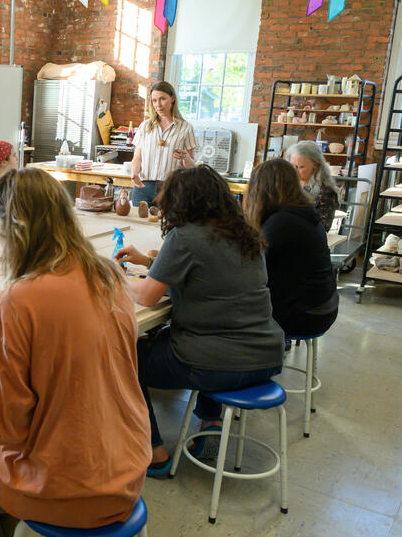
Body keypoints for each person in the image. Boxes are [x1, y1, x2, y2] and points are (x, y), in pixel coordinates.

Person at [0, 168, 151, 536]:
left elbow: (5, 427)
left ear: (16, 230)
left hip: (76, 485)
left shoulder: (20, 297)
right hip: (128, 461)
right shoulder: (108, 274)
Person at [115, 165, 283, 476]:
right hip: (266, 356)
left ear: (182, 202)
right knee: (212, 334)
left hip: (219, 363)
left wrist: (108, 279)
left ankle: (154, 451)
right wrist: (150, 262)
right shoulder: (245, 236)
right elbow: (210, 270)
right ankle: (211, 424)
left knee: (127, 357)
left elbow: (148, 296)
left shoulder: (185, 237)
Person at [244, 159, 338, 339]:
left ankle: (252, 359)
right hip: (324, 306)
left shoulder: (281, 223)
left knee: (227, 306)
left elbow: (253, 272)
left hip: (305, 316)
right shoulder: (302, 212)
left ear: (261, 189)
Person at [129, 81, 197, 206]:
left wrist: (185, 157)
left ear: (172, 98)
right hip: (143, 188)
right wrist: (134, 172)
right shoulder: (145, 126)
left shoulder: (186, 128)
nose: (158, 105)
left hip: (172, 189)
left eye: (162, 99)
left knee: (168, 225)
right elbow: (137, 158)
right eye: (154, 101)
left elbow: (192, 166)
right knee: (138, 224)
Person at [286, 141, 339, 230]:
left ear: (315, 164)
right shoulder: (287, 186)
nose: (294, 171)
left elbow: (323, 227)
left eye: (300, 167)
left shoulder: (326, 192)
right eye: (292, 166)